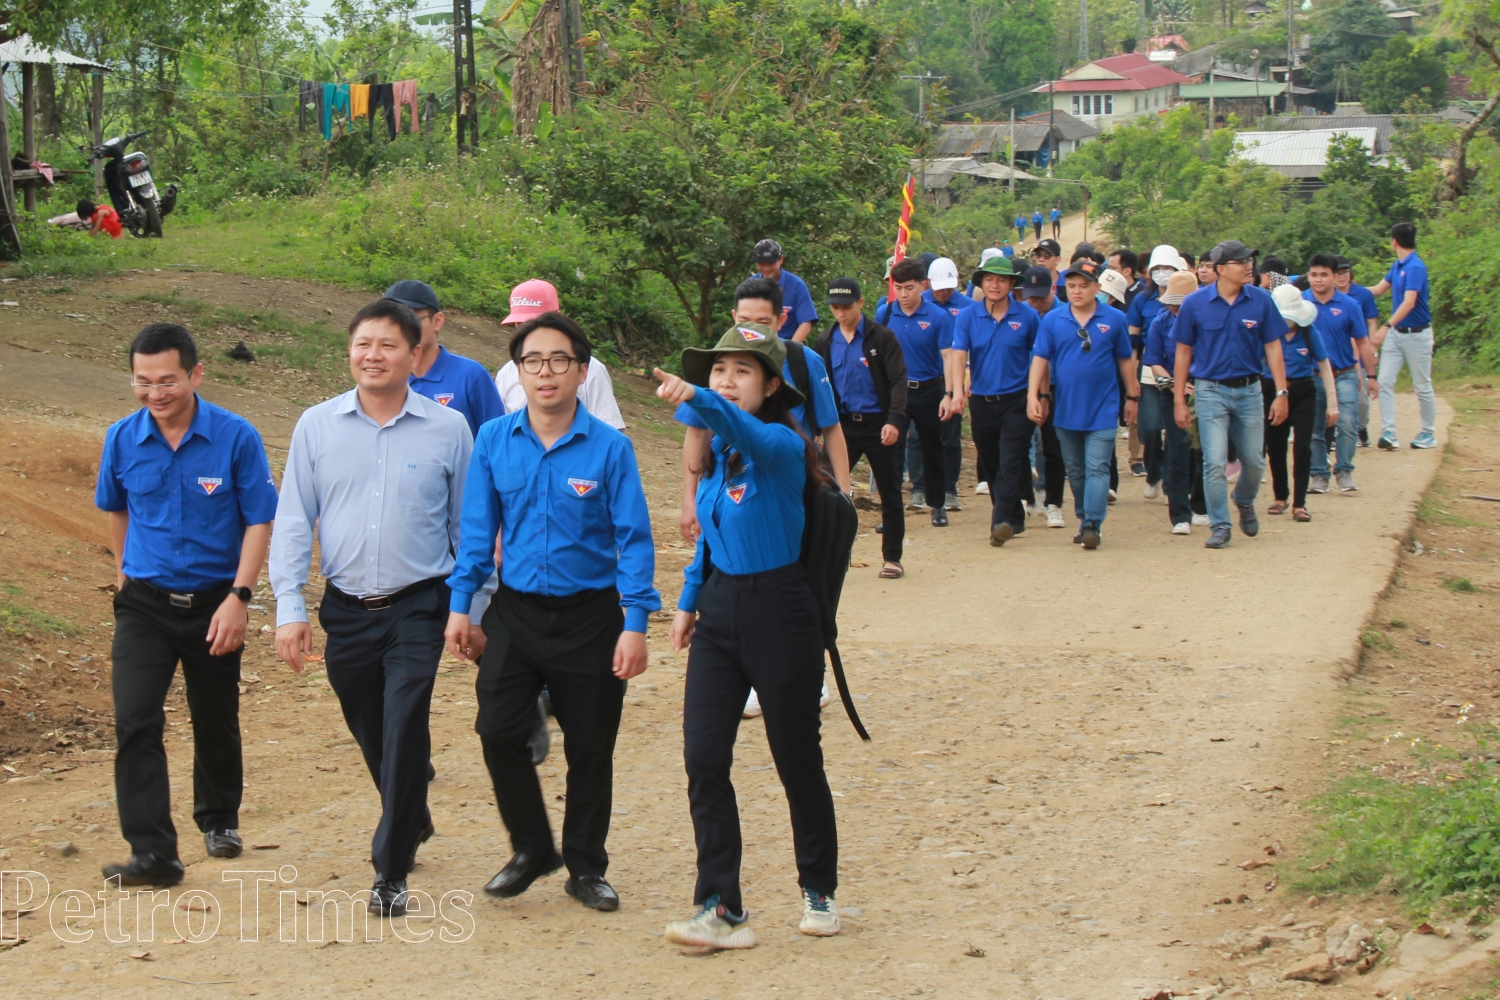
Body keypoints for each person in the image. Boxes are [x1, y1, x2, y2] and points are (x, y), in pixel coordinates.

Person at [271, 299, 482, 917]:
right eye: (363, 344)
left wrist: (470, 606)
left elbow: (469, 528)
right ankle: (411, 809)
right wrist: (290, 607)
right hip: (346, 609)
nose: (373, 356)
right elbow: (291, 521)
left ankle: (391, 869)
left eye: (388, 345)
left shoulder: (448, 429)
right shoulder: (316, 425)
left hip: (420, 605)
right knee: (368, 724)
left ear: (414, 354)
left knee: (404, 722)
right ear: (350, 351)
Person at [444, 312, 658, 913]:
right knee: (497, 729)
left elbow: (635, 540)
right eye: (532, 361)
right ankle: (533, 847)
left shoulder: (610, 448)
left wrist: (635, 625)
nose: (545, 372)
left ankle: (586, 866)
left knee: (590, 747)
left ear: (581, 371)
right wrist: (463, 608)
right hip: (516, 613)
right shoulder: (493, 440)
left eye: (559, 360)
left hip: (592, 617)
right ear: (517, 371)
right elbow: (478, 531)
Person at [656, 326, 841, 950]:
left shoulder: (782, 447)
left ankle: (819, 887)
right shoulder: (719, 456)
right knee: (704, 757)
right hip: (720, 613)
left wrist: (698, 401)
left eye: (741, 372)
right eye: (717, 372)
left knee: (795, 759)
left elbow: (745, 431)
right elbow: (708, 536)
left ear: (768, 387)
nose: (727, 382)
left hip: (781, 612)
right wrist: (687, 603)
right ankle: (720, 905)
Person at [94, 323, 277, 886]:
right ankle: (154, 854)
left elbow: (259, 519)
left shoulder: (235, 436)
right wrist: (124, 572)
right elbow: (115, 505)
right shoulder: (122, 439)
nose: (155, 393)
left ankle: (218, 817)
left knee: (214, 717)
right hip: (144, 605)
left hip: (214, 603)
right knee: (136, 720)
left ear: (195, 375)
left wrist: (240, 597)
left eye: (167, 380)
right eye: (143, 381)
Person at [679, 277, 851, 544]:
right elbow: (697, 432)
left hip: (789, 493)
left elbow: (831, 428)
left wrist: (845, 496)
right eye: (744, 321)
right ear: (733, 316)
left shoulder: (803, 362)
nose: (752, 333)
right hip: (726, 489)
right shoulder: (717, 363)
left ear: (781, 321)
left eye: (763, 324)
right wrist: (691, 500)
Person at [1172, 240, 1290, 549]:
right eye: (1241, 262)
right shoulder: (1195, 304)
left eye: (1251, 260)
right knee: (1213, 462)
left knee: (1253, 461)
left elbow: (1274, 347)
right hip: (1210, 391)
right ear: (1221, 269)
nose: (1250, 265)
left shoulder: (1261, 300)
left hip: (1250, 391)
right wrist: (1179, 401)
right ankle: (1220, 526)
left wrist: (1281, 392)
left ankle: (1244, 498)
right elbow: (1183, 352)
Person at [1028, 258, 1138, 549]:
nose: (1077, 291)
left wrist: (1132, 395)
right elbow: (1040, 359)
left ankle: (1092, 523)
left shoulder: (1114, 319)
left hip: (1103, 406)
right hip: (1066, 407)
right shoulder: (1053, 320)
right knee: (1075, 469)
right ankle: (1083, 516)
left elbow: (1125, 359)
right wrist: (1034, 397)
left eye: (1084, 286)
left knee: (1098, 466)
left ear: (1097, 287)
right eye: (1071, 286)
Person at [817, 278, 908, 578]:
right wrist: (818, 427)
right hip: (842, 427)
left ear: (861, 303)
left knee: (889, 491)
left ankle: (892, 557)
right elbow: (821, 385)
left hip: (879, 425)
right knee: (824, 488)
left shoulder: (881, 338)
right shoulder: (826, 340)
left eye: (847, 307)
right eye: (836, 308)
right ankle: (829, 556)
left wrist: (895, 419)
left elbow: (897, 381)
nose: (841, 313)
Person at [948, 256, 1038, 547]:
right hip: (983, 400)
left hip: (1017, 398)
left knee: (1010, 458)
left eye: (1001, 279)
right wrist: (957, 392)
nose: (995, 285)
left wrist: (1039, 396)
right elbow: (959, 355)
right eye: (989, 279)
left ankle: (1000, 522)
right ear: (981, 283)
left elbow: (1039, 358)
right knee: (990, 460)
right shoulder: (967, 317)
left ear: (1012, 284)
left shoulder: (1028, 317)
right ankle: (1015, 516)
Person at [879, 257, 958, 525]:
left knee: (931, 446)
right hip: (895, 393)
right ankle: (891, 510)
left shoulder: (939, 316)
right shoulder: (886, 314)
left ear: (923, 286)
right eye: (898, 287)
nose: (904, 294)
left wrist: (949, 393)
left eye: (910, 288)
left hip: (929, 389)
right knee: (892, 451)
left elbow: (948, 357)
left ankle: (937, 504)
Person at [495, 279, 627, 430]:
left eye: (538, 324)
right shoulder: (507, 373)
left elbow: (611, 431)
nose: (531, 332)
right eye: (521, 325)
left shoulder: (591, 369)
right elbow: (503, 432)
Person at [382, 280, 506, 437]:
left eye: (411, 318)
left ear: (437, 321)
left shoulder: (470, 376)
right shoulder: (387, 379)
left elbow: (498, 440)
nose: (401, 329)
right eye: (393, 321)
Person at [1303, 254, 1378, 494]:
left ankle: (1344, 470)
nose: (1318, 280)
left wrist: (1371, 376)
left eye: (1324, 274)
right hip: (1311, 375)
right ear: (1308, 276)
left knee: (1347, 422)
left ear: (1335, 277)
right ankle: (1318, 475)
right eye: (1314, 274)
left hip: (1343, 373)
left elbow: (1362, 342)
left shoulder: (1349, 305)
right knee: (1314, 427)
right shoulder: (1302, 303)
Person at [1265, 285, 1339, 522]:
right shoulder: (1267, 334)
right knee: (1275, 446)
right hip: (1273, 391)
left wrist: (1332, 403)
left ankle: (1299, 503)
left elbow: (1324, 365)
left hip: (1303, 391)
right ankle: (1280, 496)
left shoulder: (1309, 332)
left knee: (1302, 447)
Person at [1141, 271, 1201, 533]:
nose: (1175, 307)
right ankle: (1179, 515)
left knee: (1203, 450)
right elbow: (1154, 361)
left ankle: (1201, 504)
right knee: (1177, 448)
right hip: (1170, 390)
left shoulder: (1207, 321)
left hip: (1204, 389)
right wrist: (1176, 384)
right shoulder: (1160, 322)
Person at [1368, 222, 1437, 450]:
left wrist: (1384, 327)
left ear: (1394, 241)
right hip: (1397, 335)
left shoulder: (1415, 267)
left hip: (1417, 335)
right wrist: (1347, 288)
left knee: (1422, 385)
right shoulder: (1397, 266)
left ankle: (1428, 432)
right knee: (1385, 381)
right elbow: (1378, 289)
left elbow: (1409, 302)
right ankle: (1389, 431)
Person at [1019, 265, 1068, 529]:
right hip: (1024, 387)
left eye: (1041, 295)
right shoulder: (1023, 315)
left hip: (1058, 387)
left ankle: (1054, 503)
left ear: (1053, 289)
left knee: (1052, 447)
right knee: (1019, 445)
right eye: (1031, 296)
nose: (1035, 301)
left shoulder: (1066, 314)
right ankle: (1027, 498)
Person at [1333, 256, 1379, 447]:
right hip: (1337, 352)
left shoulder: (1362, 295)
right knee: (1335, 395)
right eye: (1338, 273)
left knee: (1361, 398)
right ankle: (1336, 432)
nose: (1342, 277)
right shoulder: (1327, 296)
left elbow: (1372, 322)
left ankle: (1361, 427)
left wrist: (1373, 348)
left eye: (1345, 272)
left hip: (1360, 350)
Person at [750, 239, 820, 344]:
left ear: (781, 259)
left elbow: (805, 323)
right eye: (761, 263)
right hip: (756, 346)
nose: (766, 268)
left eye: (770, 263)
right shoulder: (750, 286)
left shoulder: (797, 285)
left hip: (788, 345)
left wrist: (788, 351)